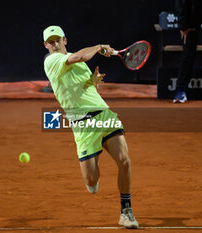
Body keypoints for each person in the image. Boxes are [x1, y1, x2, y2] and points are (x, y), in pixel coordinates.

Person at [43, 25, 139, 229]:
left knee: (125, 161)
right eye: (50, 42)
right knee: (92, 184)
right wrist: (100, 46)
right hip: (82, 124)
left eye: (57, 40)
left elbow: (82, 87)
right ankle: (93, 171)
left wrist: (92, 83)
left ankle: (126, 210)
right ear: (46, 46)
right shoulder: (52, 61)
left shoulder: (76, 59)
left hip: (103, 114)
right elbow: (78, 57)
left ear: (64, 40)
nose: (55, 44)